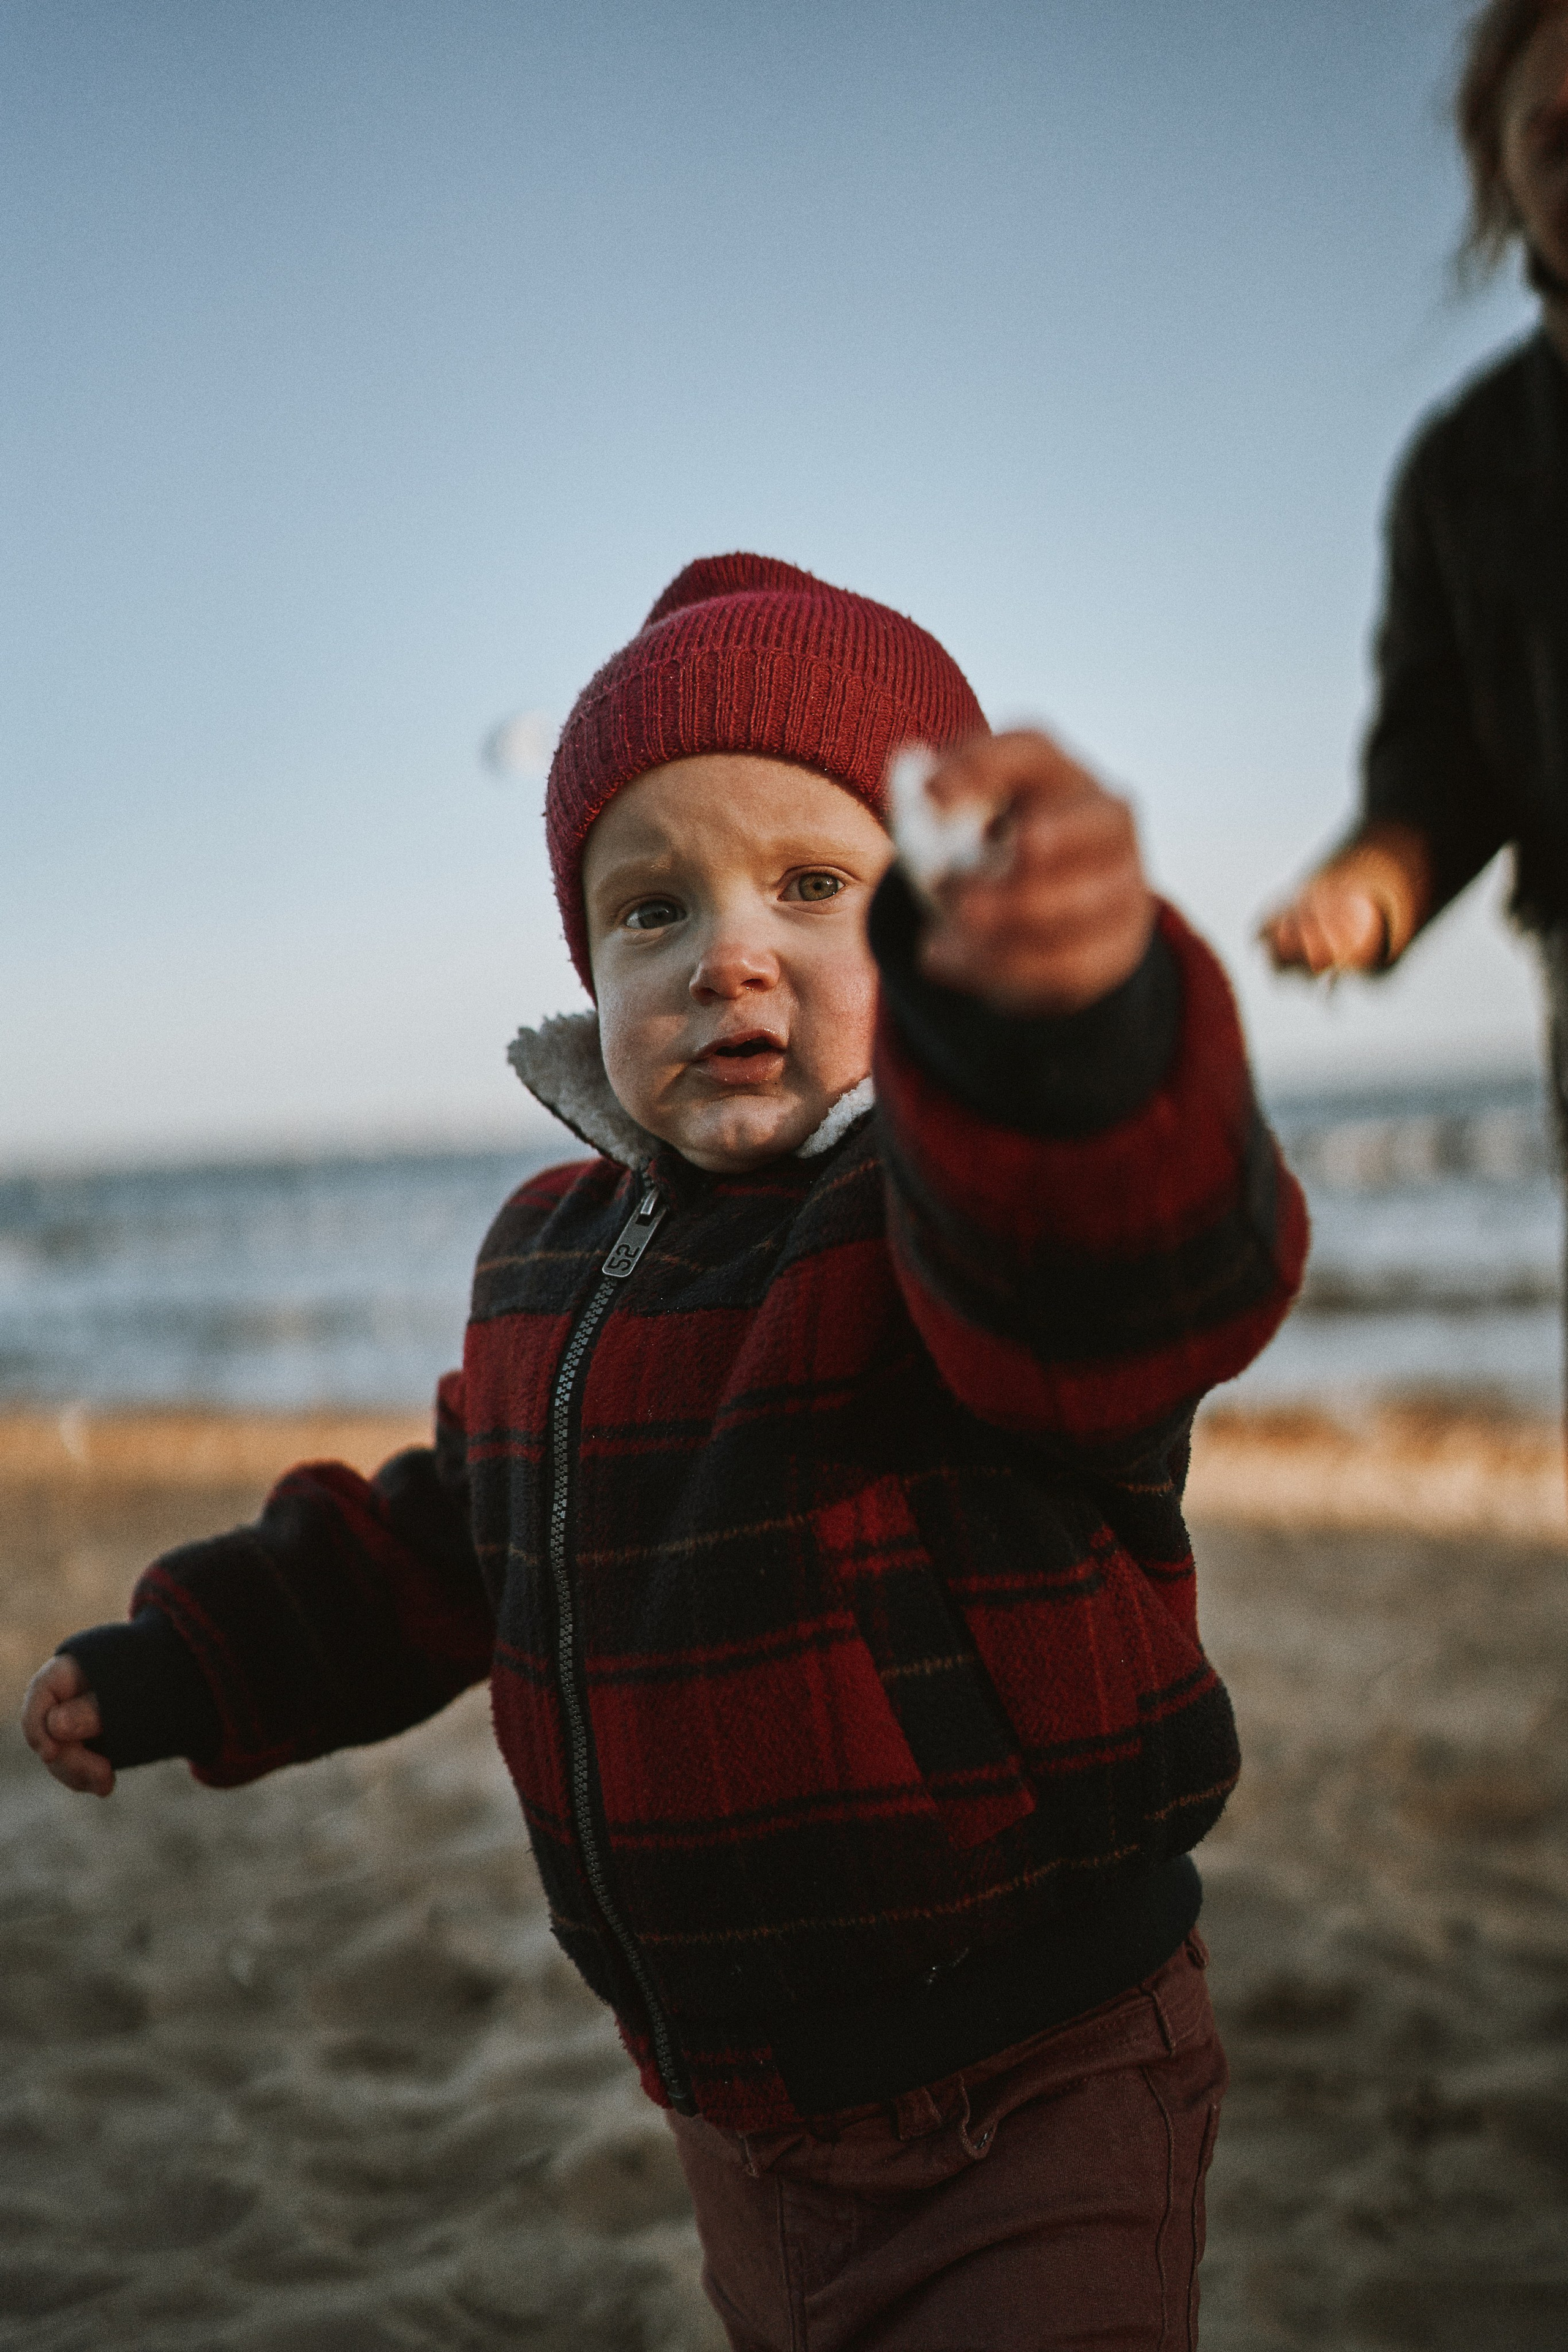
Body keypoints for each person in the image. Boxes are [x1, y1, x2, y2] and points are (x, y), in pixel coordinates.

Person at [23, 552, 1306, 2350]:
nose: (731, 953)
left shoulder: (940, 1216)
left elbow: (1127, 1256)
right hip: (736, 2121)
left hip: (1031, 2083)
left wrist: (1074, 1038)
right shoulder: (553, 1259)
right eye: (651, 910)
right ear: (588, 966)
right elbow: (442, 1542)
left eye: (814, 883)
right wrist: (195, 1657)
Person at [1262, 0, 1568, 1137]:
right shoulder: (1463, 469)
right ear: (1502, 176)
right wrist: (1365, 890)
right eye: (1555, 135)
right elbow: (1435, 772)